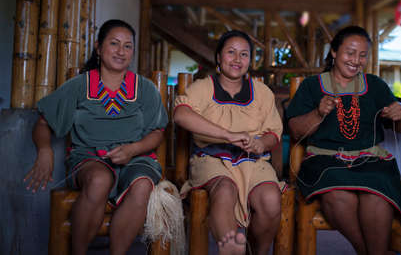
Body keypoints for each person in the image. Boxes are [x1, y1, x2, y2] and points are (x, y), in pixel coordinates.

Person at [24, 19, 169, 255]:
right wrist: (45, 150)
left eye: (128, 46)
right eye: (114, 44)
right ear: (99, 48)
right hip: (89, 159)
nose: (121, 51)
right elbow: (43, 123)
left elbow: (157, 132)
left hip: (137, 159)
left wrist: (132, 150)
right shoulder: (79, 85)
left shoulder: (145, 88)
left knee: (142, 186)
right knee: (100, 180)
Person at [286, 26, 401, 255]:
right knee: (338, 193)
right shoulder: (312, 86)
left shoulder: (374, 85)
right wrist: (318, 113)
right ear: (334, 52)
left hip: (370, 161)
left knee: (376, 193)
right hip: (325, 162)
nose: (356, 60)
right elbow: (295, 131)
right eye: (350, 52)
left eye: (362, 55)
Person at [173, 30, 285, 255]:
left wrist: (261, 144)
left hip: (254, 161)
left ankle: (258, 252)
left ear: (250, 61)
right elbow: (180, 115)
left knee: (271, 198)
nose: (237, 59)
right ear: (218, 57)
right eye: (231, 52)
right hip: (211, 159)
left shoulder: (262, 92)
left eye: (244, 54)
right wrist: (227, 135)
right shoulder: (203, 88)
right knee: (225, 190)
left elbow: (273, 132)